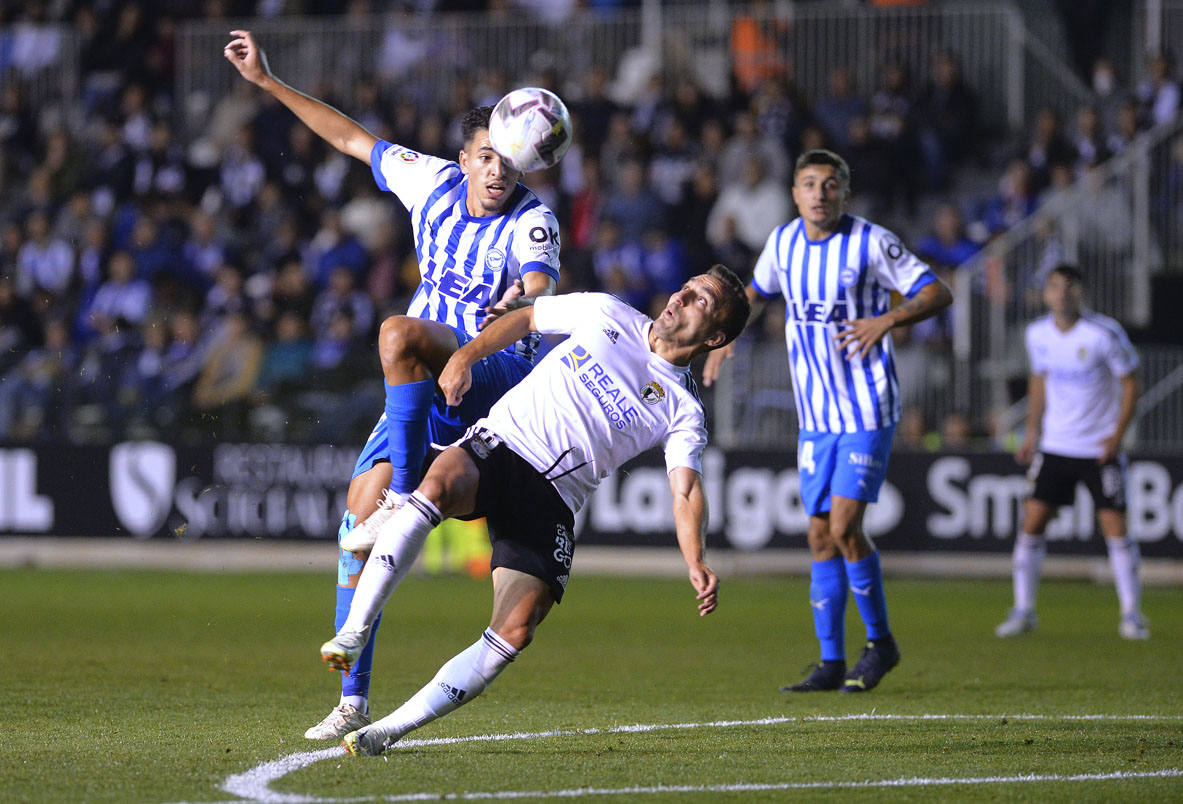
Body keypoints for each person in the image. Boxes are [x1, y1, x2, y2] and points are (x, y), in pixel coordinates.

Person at [223, 30, 563, 740]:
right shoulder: (430, 181)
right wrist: (268, 82)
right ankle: (352, 699)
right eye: (486, 158)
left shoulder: (533, 220)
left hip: (491, 374)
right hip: (421, 384)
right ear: (464, 158)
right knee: (354, 525)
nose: (498, 172)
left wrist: (517, 307)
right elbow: (349, 137)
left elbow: (538, 290)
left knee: (396, 332)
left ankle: (407, 494)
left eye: (509, 161)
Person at [320, 266, 750, 756]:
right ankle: (354, 632)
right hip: (503, 443)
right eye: (686, 286)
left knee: (516, 629)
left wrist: (695, 560)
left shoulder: (683, 408)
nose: (681, 295)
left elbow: (686, 490)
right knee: (438, 486)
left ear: (715, 336)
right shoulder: (609, 312)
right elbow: (528, 320)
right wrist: (465, 354)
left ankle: (384, 733)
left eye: (700, 300)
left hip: (554, 500)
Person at [704, 149, 953, 693]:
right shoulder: (785, 243)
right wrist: (726, 338)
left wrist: (887, 318)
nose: (819, 193)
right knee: (819, 535)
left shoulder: (871, 242)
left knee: (843, 527)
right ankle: (831, 661)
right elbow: (755, 293)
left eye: (830, 184)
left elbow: (937, 290)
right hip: (815, 417)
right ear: (795, 193)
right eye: (810, 184)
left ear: (845, 192)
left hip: (866, 407)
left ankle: (881, 644)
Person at [995, 264, 1147, 640]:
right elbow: (1040, 380)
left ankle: (1131, 615)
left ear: (1081, 293)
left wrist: (1117, 435)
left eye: (1069, 287)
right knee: (1031, 523)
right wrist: (1032, 433)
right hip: (1056, 446)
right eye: (1055, 287)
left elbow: (1131, 384)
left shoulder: (1103, 333)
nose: (1062, 293)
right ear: (1045, 294)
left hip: (1098, 448)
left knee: (1114, 526)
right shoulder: (1037, 334)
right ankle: (1024, 610)